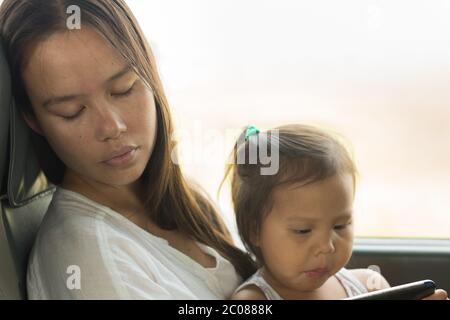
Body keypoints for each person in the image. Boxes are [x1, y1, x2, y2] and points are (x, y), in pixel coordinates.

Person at [0, 0, 256, 299]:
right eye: (72, 111)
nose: (112, 127)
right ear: (33, 120)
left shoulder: (185, 203)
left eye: (124, 89)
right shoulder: (90, 258)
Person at [221, 124, 448, 300]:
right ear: (255, 230)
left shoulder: (367, 285)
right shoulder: (253, 300)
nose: (327, 246)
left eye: (340, 226)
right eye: (303, 230)